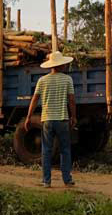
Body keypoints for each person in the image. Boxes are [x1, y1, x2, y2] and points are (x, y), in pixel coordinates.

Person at [24, 51, 77, 188]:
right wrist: (74, 116)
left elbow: (34, 100)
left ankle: (46, 181)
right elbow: (71, 100)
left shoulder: (42, 81)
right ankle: (67, 180)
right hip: (62, 120)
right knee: (65, 150)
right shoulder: (67, 80)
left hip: (47, 120)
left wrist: (29, 117)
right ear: (61, 65)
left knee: (46, 150)